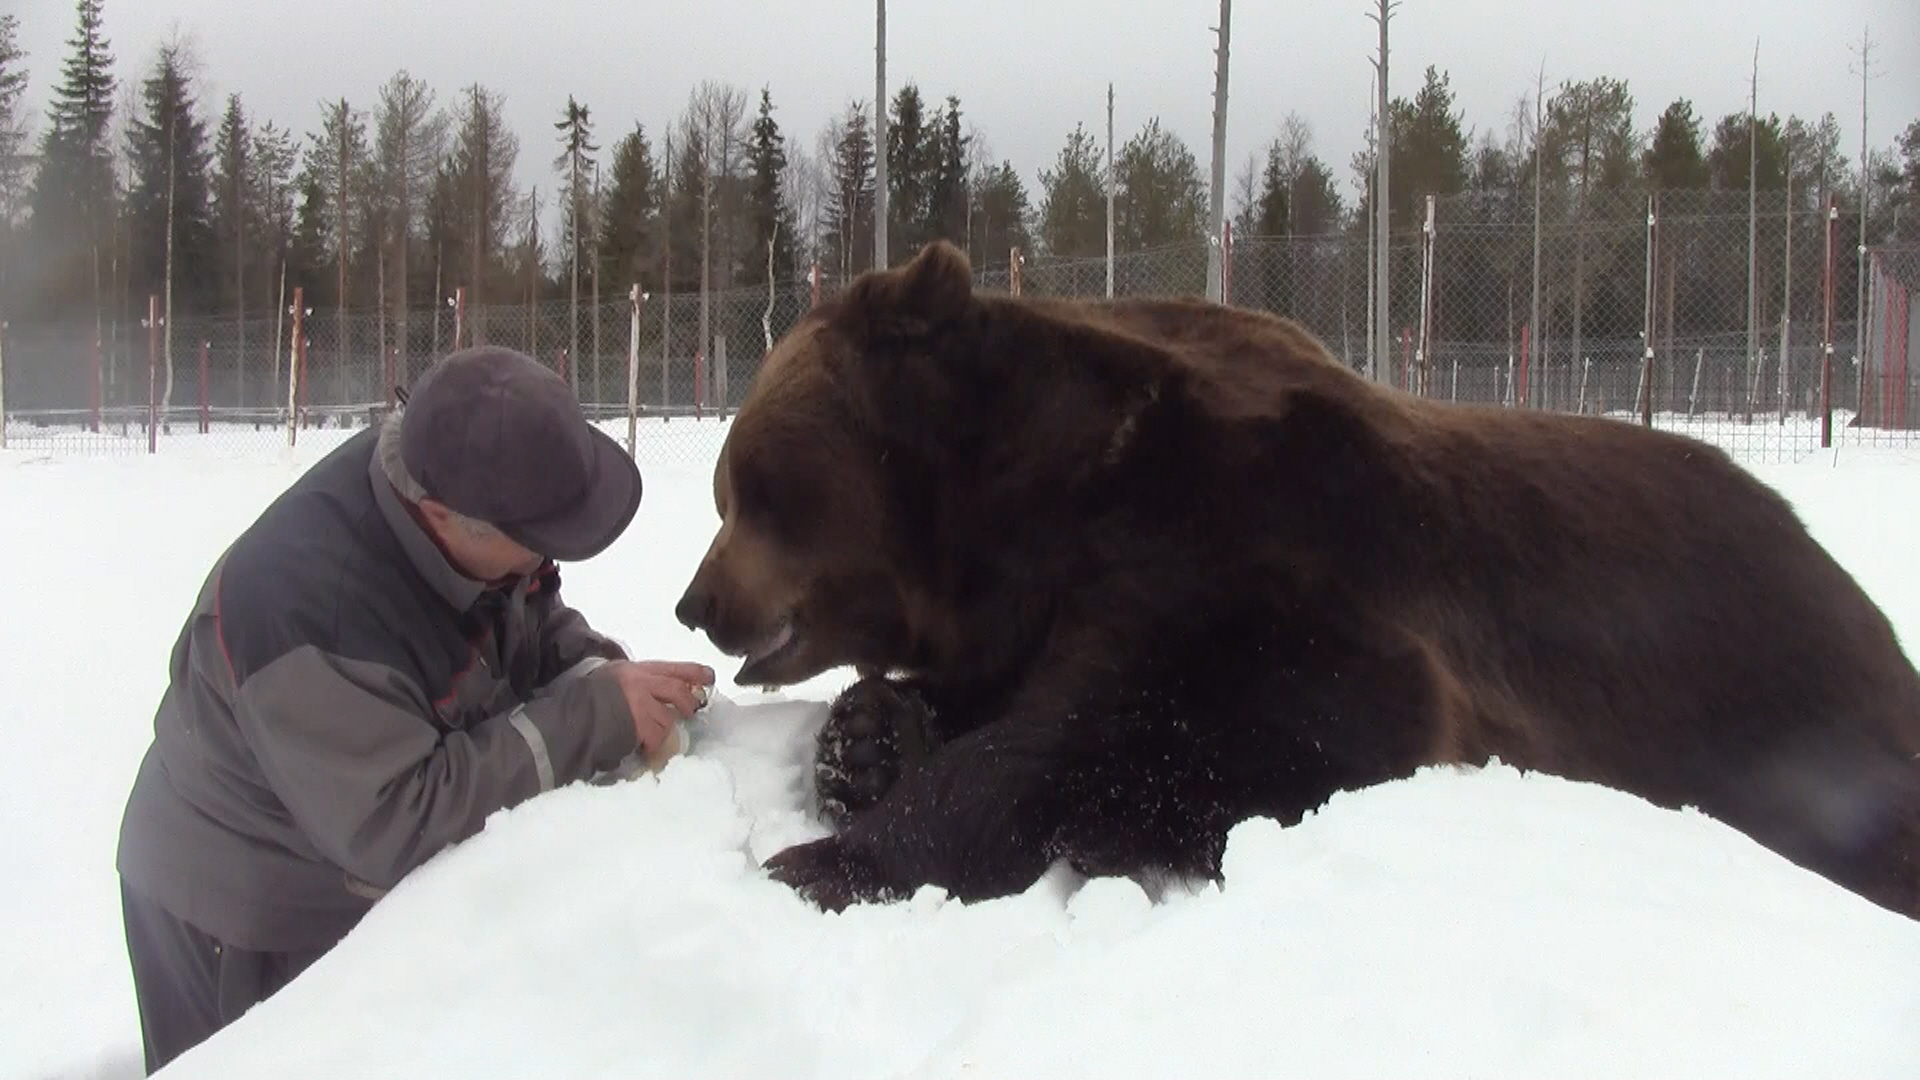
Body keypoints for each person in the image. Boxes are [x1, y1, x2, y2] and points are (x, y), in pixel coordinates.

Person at [113, 345, 715, 1074]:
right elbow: (397, 820)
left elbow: (523, 604)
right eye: (539, 544)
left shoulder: (460, 483)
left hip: (334, 853)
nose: (548, 562)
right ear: (441, 517)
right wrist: (592, 717)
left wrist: (599, 672)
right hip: (241, 902)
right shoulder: (310, 614)